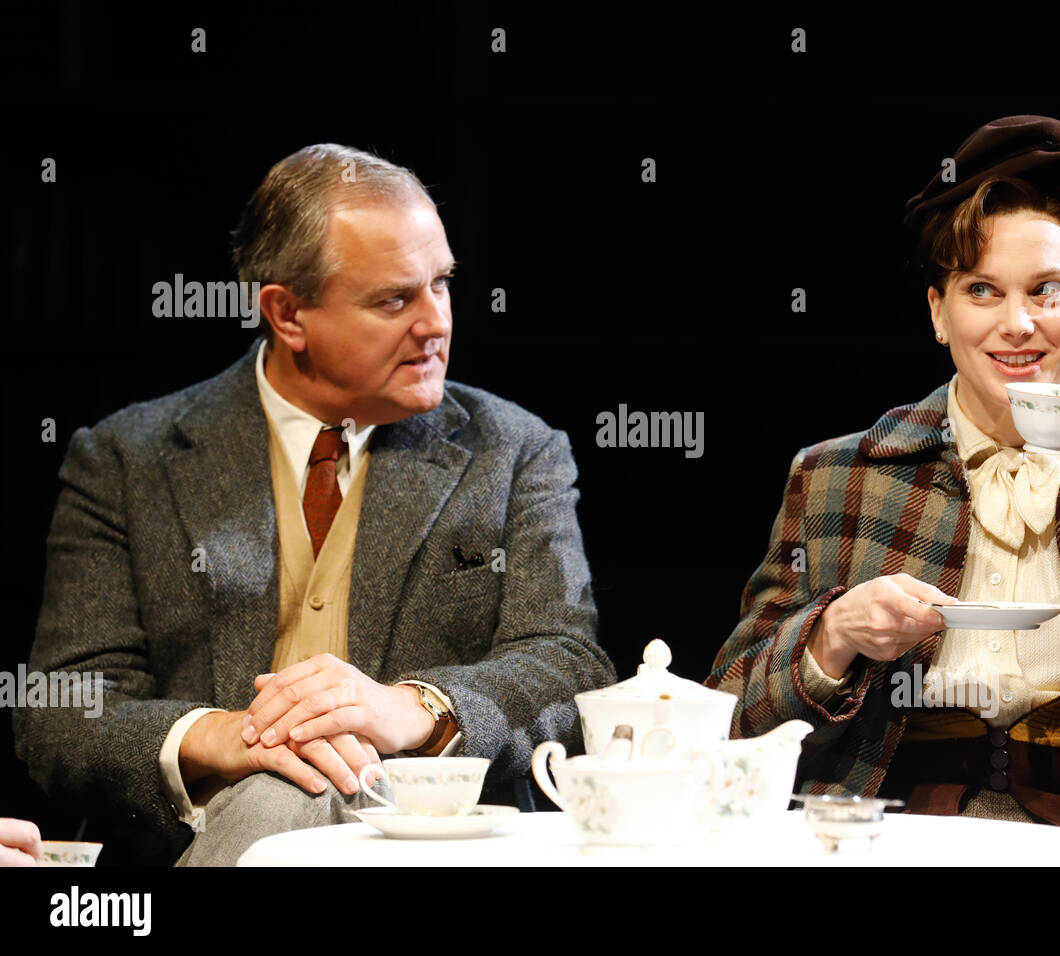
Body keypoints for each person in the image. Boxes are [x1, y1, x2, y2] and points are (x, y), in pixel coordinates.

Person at [706, 116, 1060, 866]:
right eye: (982, 290)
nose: (1017, 325)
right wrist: (832, 638)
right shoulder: (839, 477)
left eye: (1048, 291)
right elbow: (728, 727)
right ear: (938, 313)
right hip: (885, 837)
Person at [15, 144, 616, 866]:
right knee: (278, 792)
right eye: (395, 299)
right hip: (197, 837)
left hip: (432, 844)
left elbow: (569, 664)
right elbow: (62, 708)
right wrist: (218, 736)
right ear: (287, 313)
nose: (437, 323)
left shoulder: (516, 451)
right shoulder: (126, 457)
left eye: (442, 284)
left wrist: (418, 710)